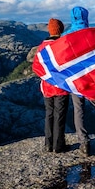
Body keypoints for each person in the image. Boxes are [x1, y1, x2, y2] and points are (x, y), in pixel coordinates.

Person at [63, 6, 95, 156]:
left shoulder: (65, 37)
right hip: (93, 79)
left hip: (76, 80)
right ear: (86, 17)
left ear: (72, 18)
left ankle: (84, 144)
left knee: (79, 110)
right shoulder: (94, 34)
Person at [35, 18, 70, 153]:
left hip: (47, 86)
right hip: (61, 87)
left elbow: (37, 67)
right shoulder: (62, 45)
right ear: (60, 30)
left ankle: (48, 144)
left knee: (49, 114)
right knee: (59, 116)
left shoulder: (42, 46)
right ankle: (58, 146)